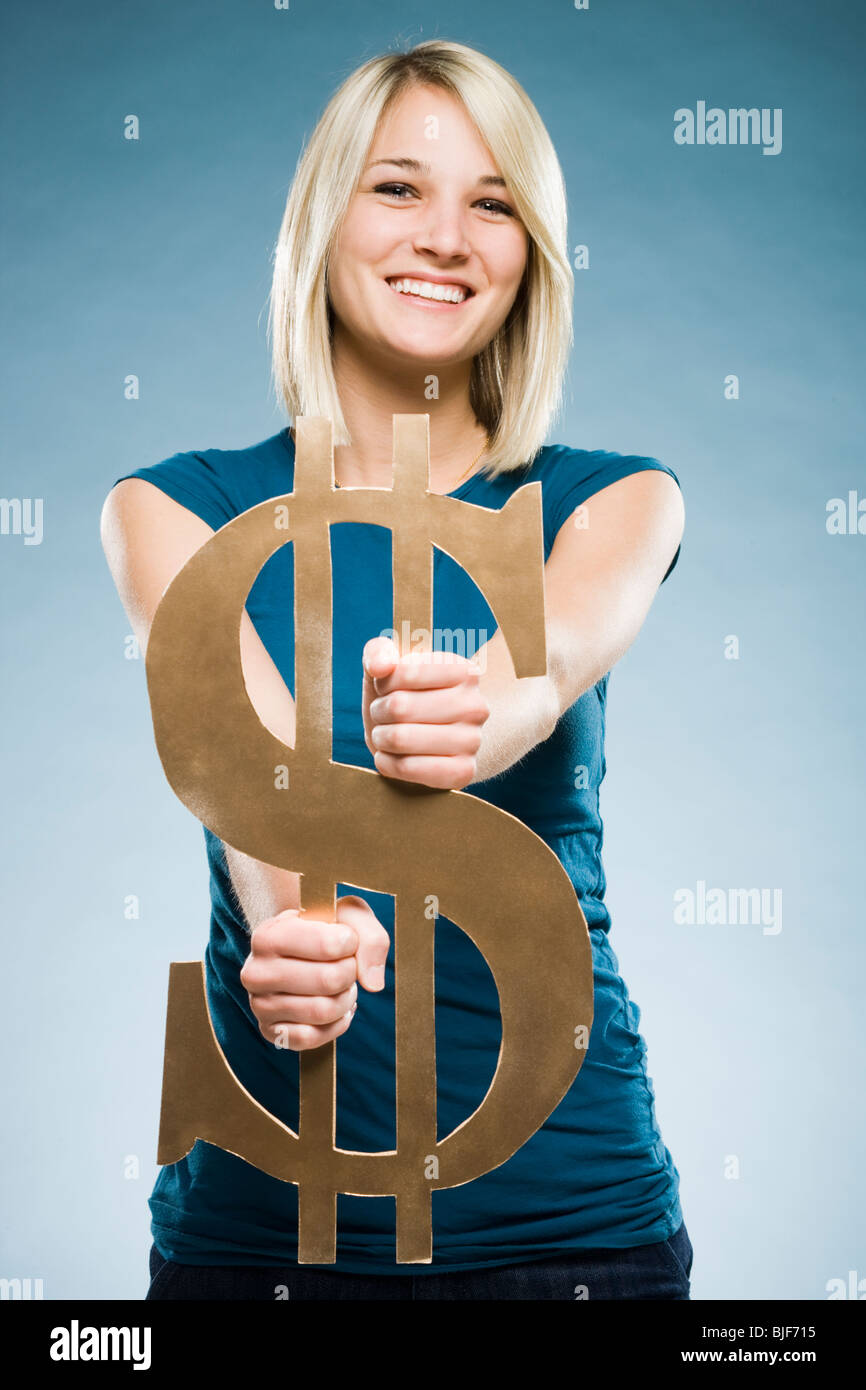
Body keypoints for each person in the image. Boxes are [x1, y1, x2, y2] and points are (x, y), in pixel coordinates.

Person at [101, 39, 690, 1301]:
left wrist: (494, 709)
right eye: (398, 188)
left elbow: (561, 644)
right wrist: (289, 923)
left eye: (491, 203)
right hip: (259, 1246)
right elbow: (232, 747)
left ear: (529, 253)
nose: (446, 237)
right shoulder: (172, 510)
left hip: (574, 1236)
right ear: (324, 219)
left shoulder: (614, 498)